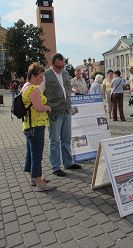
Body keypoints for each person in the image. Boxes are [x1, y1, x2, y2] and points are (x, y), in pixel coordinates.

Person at [39, 53, 81, 177]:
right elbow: (39, 92)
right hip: (54, 112)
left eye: (63, 66)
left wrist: (75, 92)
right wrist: (46, 107)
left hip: (67, 110)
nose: (61, 68)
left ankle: (68, 163)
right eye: (58, 66)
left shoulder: (65, 73)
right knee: (55, 141)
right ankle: (56, 166)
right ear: (52, 64)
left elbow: (67, 88)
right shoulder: (46, 75)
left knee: (66, 139)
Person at [22, 63, 55, 192]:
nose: (42, 80)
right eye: (40, 77)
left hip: (28, 125)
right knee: (37, 155)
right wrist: (48, 107)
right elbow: (39, 107)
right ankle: (40, 183)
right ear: (33, 76)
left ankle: (33, 178)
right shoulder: (33, 89)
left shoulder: (25, 87)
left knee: (30, 153)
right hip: (36, 126)